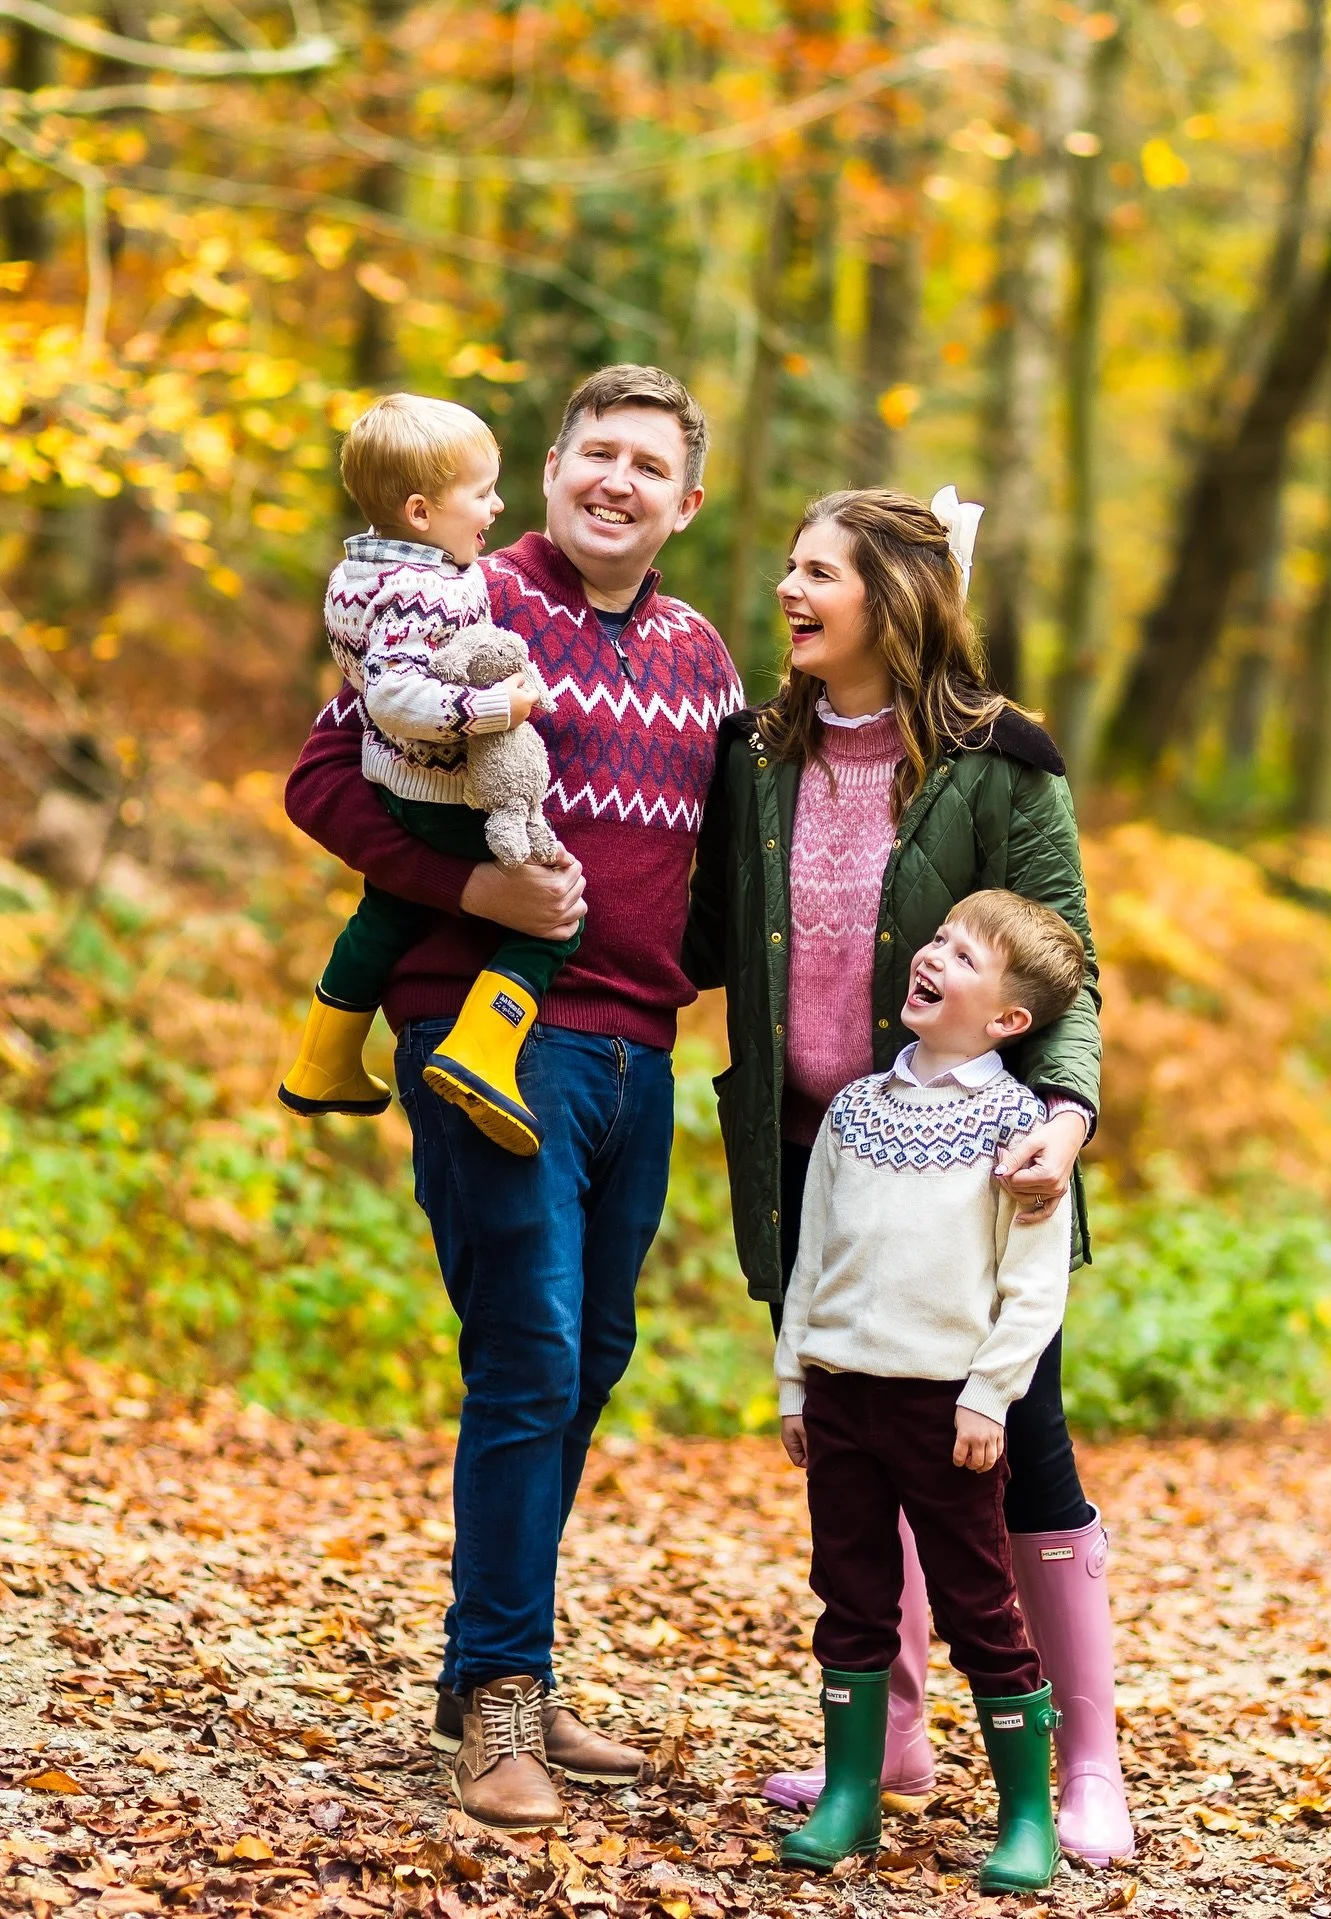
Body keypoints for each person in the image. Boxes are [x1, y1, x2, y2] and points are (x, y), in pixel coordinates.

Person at [284, 366, 743, 1830]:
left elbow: (741, 858)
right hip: (486, 1026)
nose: (617, 480)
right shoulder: (460, 600)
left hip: (640, 1048)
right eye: (594, 452)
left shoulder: (703, 653)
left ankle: (515, 1670)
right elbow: (321, 781)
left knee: (591, 1351)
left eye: (647, 464)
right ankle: (495, 1697)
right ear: (549, 468)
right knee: (531, 1351)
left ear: (688, 499)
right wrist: (475, 881)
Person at [683, 488, 1133, 1866]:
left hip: (984, 1168)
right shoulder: (754, 754)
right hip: (815, 1159)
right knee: (861, 1447)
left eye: (821, 570)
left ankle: (1086, 1758)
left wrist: (1065, 1115)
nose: (789, 589)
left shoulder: (1003, 759)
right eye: (788, 567)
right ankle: (888, 1736)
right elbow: (697, 933)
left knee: (1021, 1455)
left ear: (895, 592)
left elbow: (1065, 964)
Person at [774, 889, 1084, 1884]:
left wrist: (989, 1394)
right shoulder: (855, 1111)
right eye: (938, 938)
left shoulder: (1022, 1127)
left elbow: (1031, 1285)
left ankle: (1026, 1814)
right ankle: (850, 1795)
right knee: (850, 1593)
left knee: (979, 1606)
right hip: (842, 1397)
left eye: (965, 953)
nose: (935, 954)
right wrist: (794, 1377)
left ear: (1008, 1019)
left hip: (946, 1409)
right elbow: (812, 1251)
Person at [278, 392, 578, 1155]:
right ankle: (482, 1046)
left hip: (394, 781)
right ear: (419, 511)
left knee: (387, 913)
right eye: (480, 493)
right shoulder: (428, 586)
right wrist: (495, 708)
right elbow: (393, 693)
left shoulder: (361, 573)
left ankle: (322, 1060)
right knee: (557, 911)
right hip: (441, 787)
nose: (497, 505)